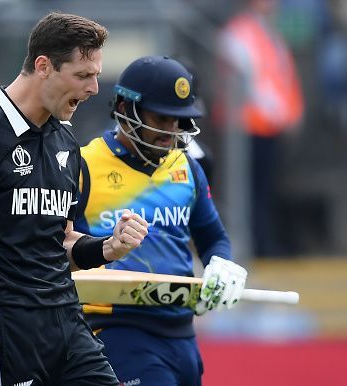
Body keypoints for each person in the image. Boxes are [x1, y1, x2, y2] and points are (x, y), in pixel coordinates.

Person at [0, 12, 149, 386]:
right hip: (3, 328)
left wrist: (108, 247)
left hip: (67, 322)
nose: (94, 88)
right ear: (43, 65)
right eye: (82, 75)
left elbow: (61, 243)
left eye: (95, 74)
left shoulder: (65, 141)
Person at [74, 55, 248, 386]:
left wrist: (221, 264)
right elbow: (67, 248)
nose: (170, 132)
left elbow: (212, 237)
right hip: (115, 328)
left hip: (182, 333)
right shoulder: (83, 165)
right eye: (161, 119)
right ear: (125, 110)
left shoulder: (188, 168)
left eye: (178, 121)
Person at [215, 0, 304, 256]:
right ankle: (257, 245)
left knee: (263, 189)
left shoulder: (265, 31)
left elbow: (279, 77)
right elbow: (251, 83)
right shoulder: (241, 32)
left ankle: (263, 242)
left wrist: (288, 113)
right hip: (249, 126)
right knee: (252, 191)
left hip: (264, 125)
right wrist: (282, 114)